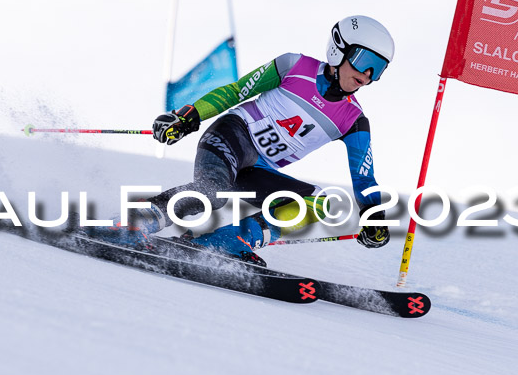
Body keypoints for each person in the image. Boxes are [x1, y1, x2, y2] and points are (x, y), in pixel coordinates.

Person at [100, 15, 393, 264]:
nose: (366, 75)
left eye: (377, 69)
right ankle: (135, 221)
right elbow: (236, 91)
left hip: (258, 170)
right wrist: (189, 115)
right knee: (212, 191)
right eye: (363, 60)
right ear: (338, 49)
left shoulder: (353, 119)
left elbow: (364, 178)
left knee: (318, 203)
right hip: (232, 137)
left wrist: (374, 215)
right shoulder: (294, 66)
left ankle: (228, 241)